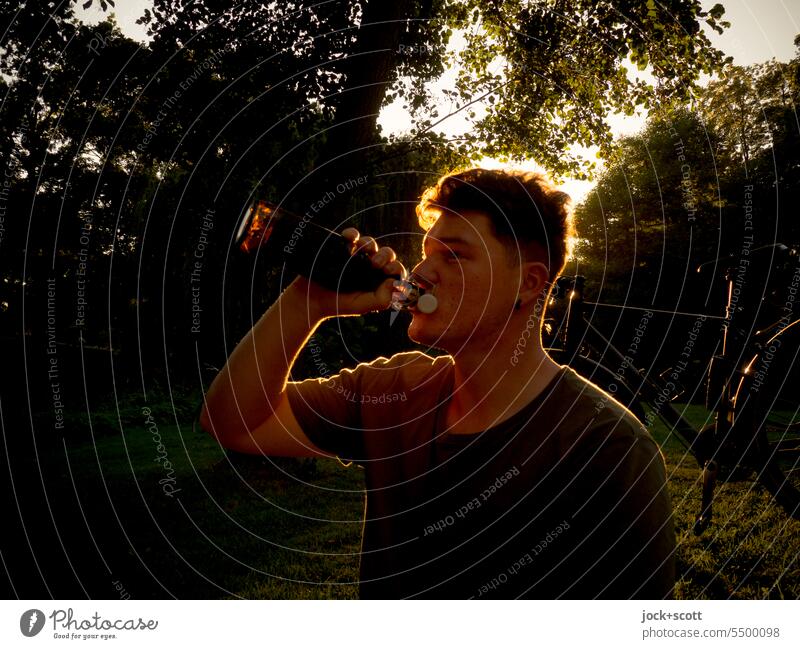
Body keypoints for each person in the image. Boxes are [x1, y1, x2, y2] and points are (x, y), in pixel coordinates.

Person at [199, 168, 676, 599]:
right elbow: (232, 424)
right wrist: (307, 303)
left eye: (454, 256)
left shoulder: (606, 448)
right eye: (427, 254)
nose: (423, 272)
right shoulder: (390, 390)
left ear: (529, 284)